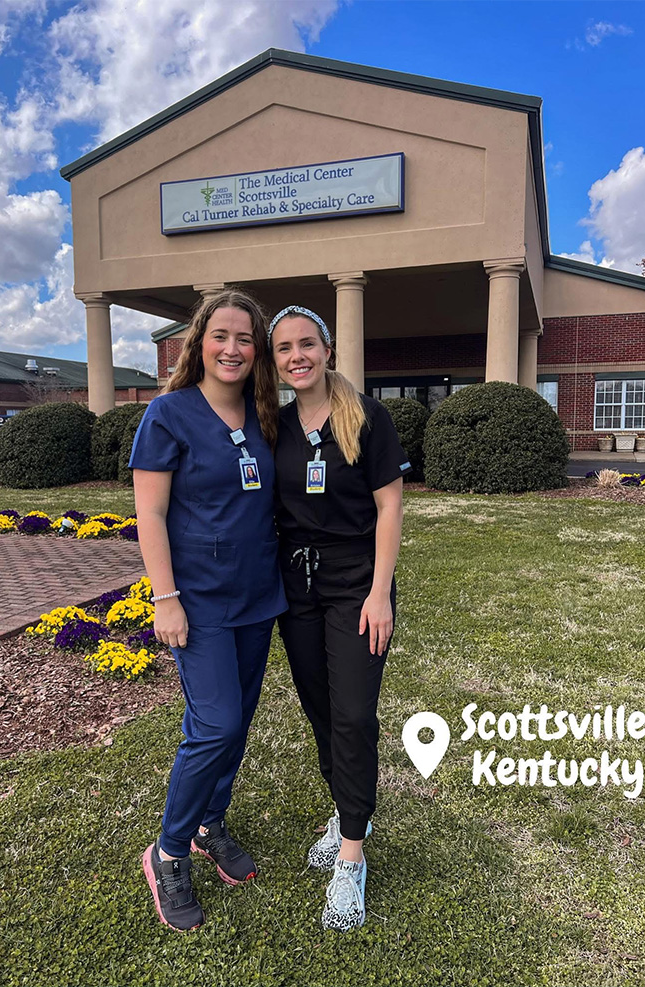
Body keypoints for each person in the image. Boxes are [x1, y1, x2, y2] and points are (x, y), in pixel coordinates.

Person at [130, 289, 286, 932]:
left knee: (239, 722)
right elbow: (150, 513)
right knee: (215, 724)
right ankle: (168, 852)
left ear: (257, 351)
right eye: (221, 335)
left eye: (245, 338)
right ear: (199, 342)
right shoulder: (168, 414)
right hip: (197, 602)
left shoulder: (262, 414)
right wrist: (165, 598)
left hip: (258, 597)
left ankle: (207, 823)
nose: (233, 348)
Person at [269, 305, 409, 932]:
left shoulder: (365, 418)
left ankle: (351, 853)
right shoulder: (272, 426)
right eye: (284, 349)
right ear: (275, 362)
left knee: (353, 714)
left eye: (307, 345)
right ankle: (348, 809)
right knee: (321, 710)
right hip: (296, 587)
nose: (297, 356)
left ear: (327, 351)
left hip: (357, 583)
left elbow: (390, 506)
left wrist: (380, 592)